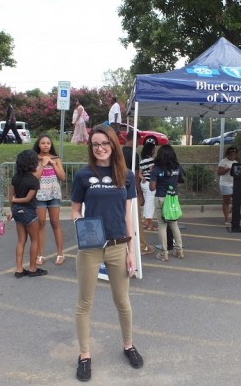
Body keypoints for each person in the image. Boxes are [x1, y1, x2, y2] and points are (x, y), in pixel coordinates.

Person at [71, 124, 143, 381]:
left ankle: (128, 345)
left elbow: (127, 216)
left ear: (113, 144)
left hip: (118, 247)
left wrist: (131, 251)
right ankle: (84, 355)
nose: (100, 148)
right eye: (95, 144)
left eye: (104, 143)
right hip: (91, 249)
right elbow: (75, 210)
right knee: (84, 303)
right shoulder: (83, 176)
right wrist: (82, 226)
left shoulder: (126, 175)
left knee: (123, 301)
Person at [6, 149, 48, 278]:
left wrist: (12, 208)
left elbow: (11, 196)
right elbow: (28, 199)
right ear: (33, 164)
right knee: (35, 240)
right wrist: (16, 200)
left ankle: (19, 269)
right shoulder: (34, 181)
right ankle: (32, 268)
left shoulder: (15, 178)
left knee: (21, 240)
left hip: (17, 211)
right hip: (28, 211)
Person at [33, 134, 66, 265]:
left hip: (54, 194)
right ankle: (41, 255)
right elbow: (34, 178)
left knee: (55, 222)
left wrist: (52, 163)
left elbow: (62, 177)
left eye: (48, 143)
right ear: (38, 144)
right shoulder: (34, 158)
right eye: (43, 143)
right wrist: (42, 164)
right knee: (41, 223)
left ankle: (60, 253)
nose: (46, 145)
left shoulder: (56, 159)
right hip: (40, 195)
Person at [150, 144, 184, 261]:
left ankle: (164, 253)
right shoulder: (177, 167)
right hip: (173, 198)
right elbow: (180, 180)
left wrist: (154, 175)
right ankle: (179, 250)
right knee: (174, 224)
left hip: (161, 197)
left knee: (162, 225)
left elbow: (152, 188)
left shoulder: (156, 168)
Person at [123, 130, 155, 255]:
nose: (138, 144)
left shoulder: (118, 152)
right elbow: (136, 175)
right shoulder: (133, 154)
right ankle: (142, 246)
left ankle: (124, 246)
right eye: (138, 141)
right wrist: (139, 193)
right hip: (130, 192)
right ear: (134, 139)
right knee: (136, 220)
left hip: (118, 191)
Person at [218, 146, 238, 226]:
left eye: (234, 155)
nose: (232, 156)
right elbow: (219, 172)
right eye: (231, 155)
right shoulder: (223, 162)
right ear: (227, 155)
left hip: (234, 183)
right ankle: (226, 219)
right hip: (225, 184)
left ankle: (235, 217)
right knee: (226, 201)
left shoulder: (236, 162)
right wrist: (227, 169)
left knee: (237, 200)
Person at [139, 142, 156, 230]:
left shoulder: (142, 160)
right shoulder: (150, 160)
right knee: (150, 204)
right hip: (150, 183)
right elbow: (153, 172)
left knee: (147, 203)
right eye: (153, 149)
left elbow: (140, 173)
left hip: (143, 183)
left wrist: (143, 178)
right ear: (150, 150)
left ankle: (145, 222)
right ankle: (149, 224)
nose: (154, 150)